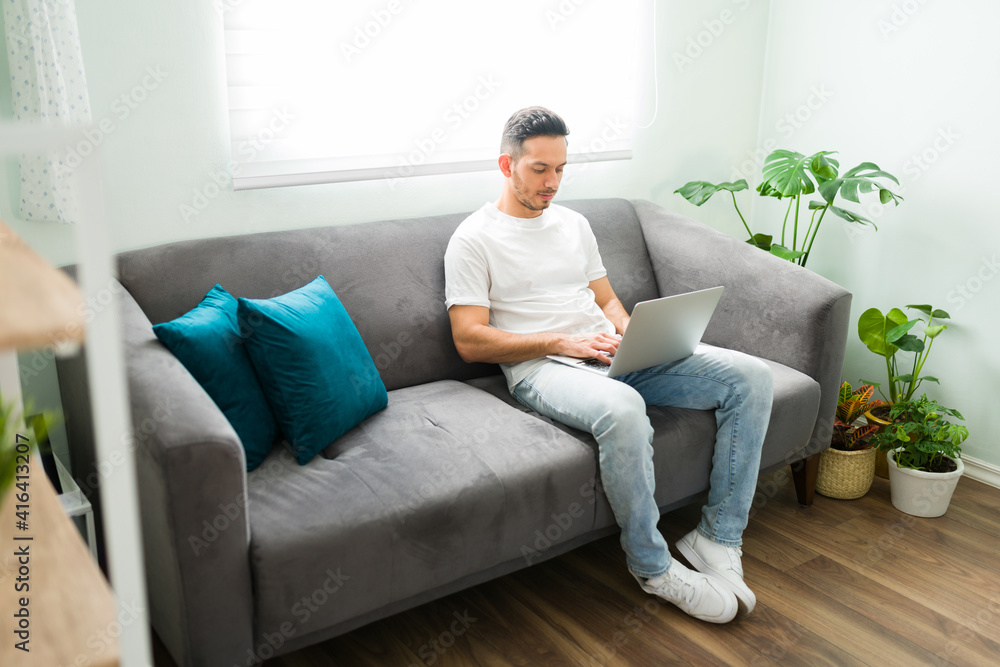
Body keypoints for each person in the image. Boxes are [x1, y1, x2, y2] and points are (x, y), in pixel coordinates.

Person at [443, 106, 772, 624]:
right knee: (622, 408)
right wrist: (564, 342)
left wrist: (632, 334)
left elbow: (608, 301)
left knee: (751, 377)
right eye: (540, 169)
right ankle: (653, 567)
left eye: (560, 169)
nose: (552, 182)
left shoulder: (574, 224)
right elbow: (469, 340)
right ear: (507, 166)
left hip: (606, 351)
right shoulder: (473, 238)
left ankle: (717, 537)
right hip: (543, 366)